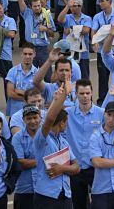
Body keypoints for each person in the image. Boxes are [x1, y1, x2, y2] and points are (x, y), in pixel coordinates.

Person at [33, 80, 80, 208]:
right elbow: (49, 119)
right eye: (67, 122)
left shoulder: (64, 142)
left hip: (65, 195)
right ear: (62, 123)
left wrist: (62, 169)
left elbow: (77, 167)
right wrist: (63, 96)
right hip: (46, 197)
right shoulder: (42, 138)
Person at [64, 79, 104, 209]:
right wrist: (63, 94)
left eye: (87, 93)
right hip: (75, 168)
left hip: (95, 167)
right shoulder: (68, 113)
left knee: (100, 203)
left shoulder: (101, 113)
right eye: (81, 93)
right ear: (76, 94)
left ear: (92, 93)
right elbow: (51, 116)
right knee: (78, 204)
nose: (85, 96)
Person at [92, 0, 114, 104]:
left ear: (109, 1)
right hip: (102, 51)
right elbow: (93, 31)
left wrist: (111, 31)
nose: (100, 3)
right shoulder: (97, 16)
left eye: (102, 1)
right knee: (102, 77)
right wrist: (94, 42)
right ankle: (102, 101)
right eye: (99, 1)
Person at [12, 104, 42, 208]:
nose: (33, 121)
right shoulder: (17, 138)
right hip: (24, 189)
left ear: (40, 118)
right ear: (23, 120)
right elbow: (20, 163)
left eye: (35, 117)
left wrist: (30, 162)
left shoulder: (47, 135)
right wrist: (44, 161)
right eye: (29, 118)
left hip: (44, 188)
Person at [5, 43, 39, 118]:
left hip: (32, 114)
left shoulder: (38, 73)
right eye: (25, 54)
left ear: (34, 54)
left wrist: (18, 91)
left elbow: (37, 95)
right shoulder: (12, 71)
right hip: (14, 114)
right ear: (21, 54)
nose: (27, 56)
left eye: (30, 54)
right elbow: (10, 93)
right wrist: (29, 98)